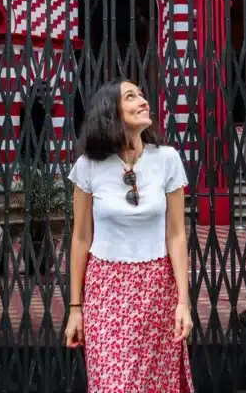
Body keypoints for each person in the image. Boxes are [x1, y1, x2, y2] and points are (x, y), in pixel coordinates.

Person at [66, 79, 193, 393]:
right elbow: (80, 238)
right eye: (131, 96)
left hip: (156, 290)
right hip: (105, 291)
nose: (143, 101)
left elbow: (176, 234)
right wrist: (75, 308)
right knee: (112, 386)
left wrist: (183, 303)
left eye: (142, 94)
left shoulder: (167, 159)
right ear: (111, 111)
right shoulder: (88, 166)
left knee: (155, 385)